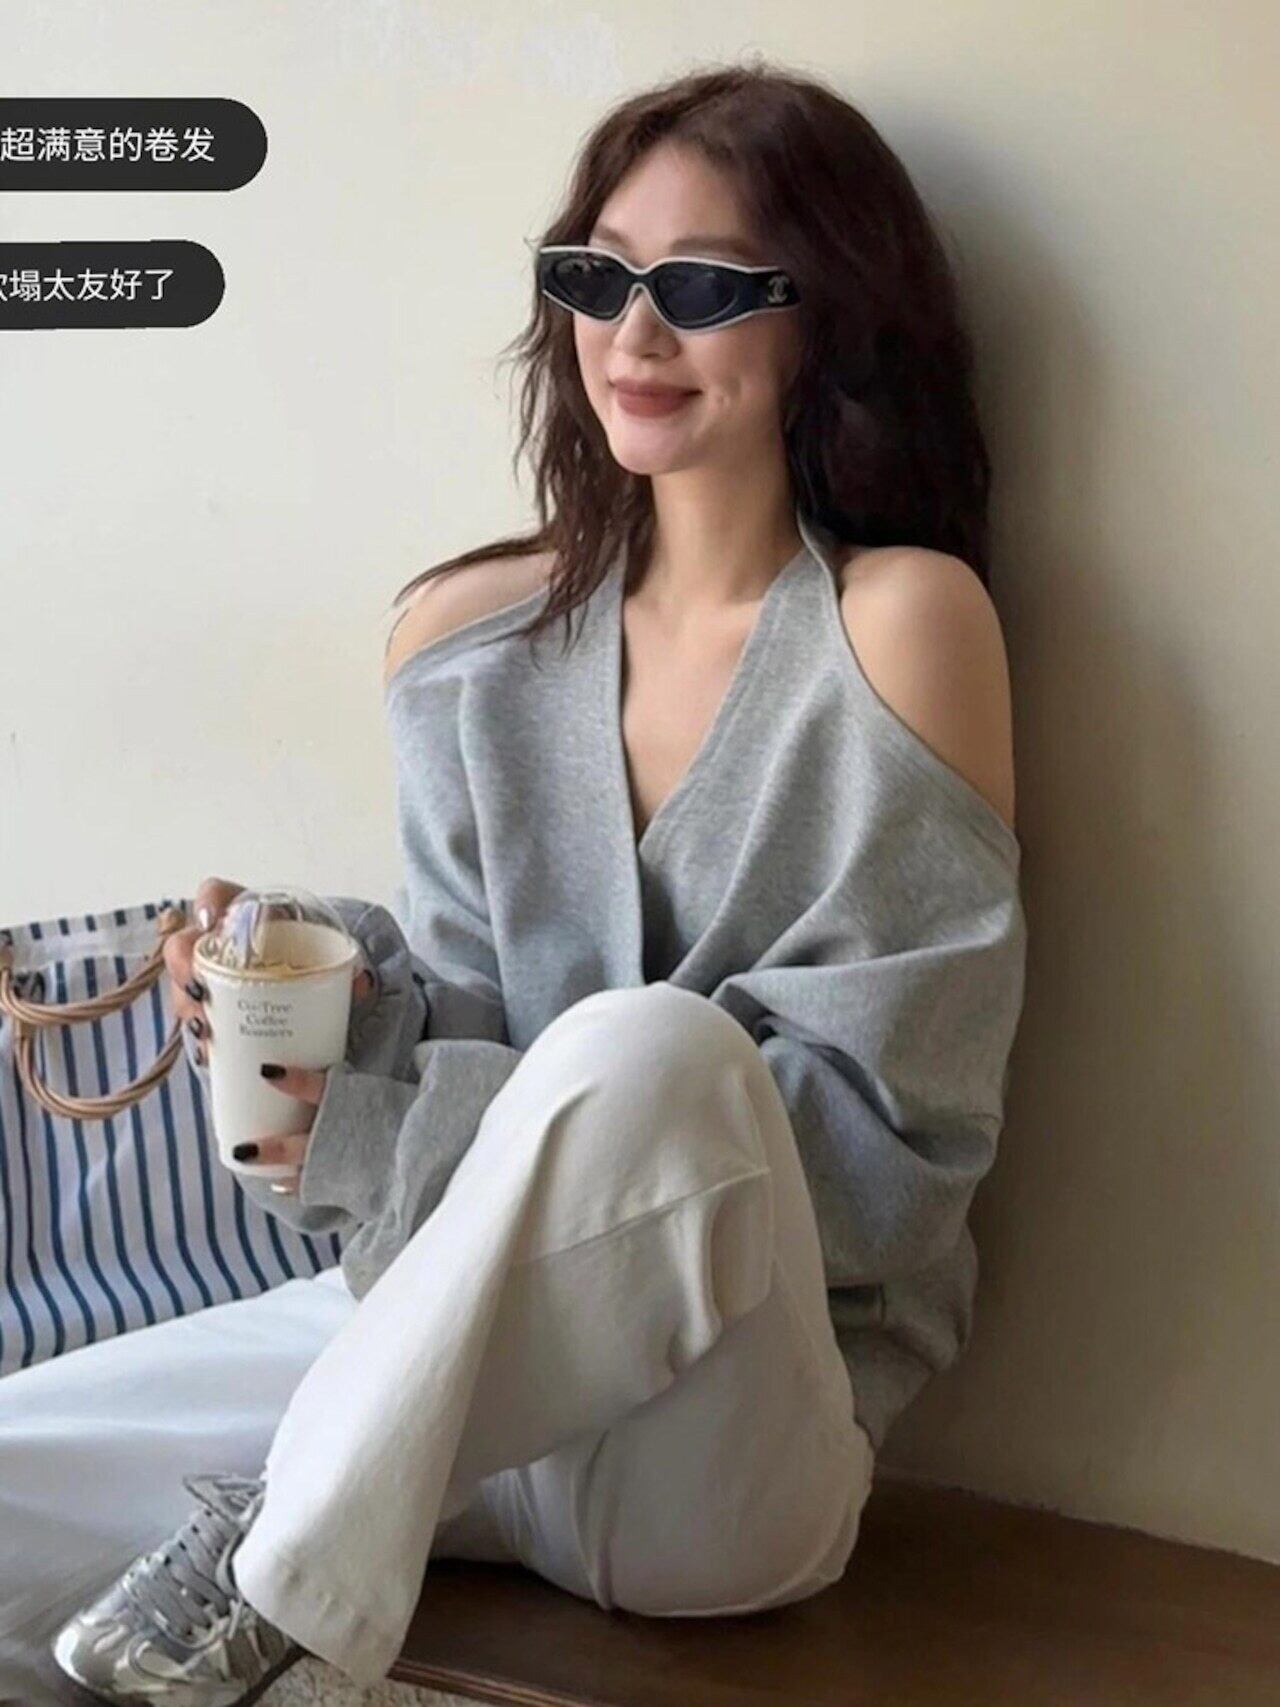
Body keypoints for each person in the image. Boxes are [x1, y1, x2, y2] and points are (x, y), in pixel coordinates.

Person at [2, 60, 1027, 1707]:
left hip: (713, 1467)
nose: (634, 333)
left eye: (702, 288)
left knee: (655, 1050)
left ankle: (283, 1564)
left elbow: (878, 1175)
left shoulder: (900, 629)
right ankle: (302, 1538)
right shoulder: (466, 646)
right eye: (594, 279)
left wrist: (413, 1117)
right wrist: (333, 1016)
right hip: (436, 1378)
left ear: (824, 324)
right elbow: (417, 1149)